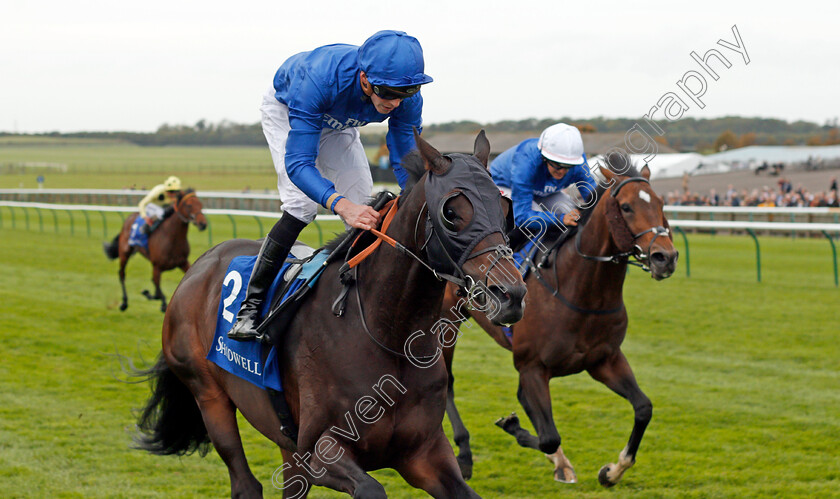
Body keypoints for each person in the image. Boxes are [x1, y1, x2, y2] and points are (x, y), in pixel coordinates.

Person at [228, 30, 433, 341]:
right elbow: (299, 164)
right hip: (291, 111)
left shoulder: (405, 95)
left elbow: (405, 154)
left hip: (340, 123)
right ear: (365, 79)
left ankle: (357, 296)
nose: (394, 102)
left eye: (404, 93)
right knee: (303, 204)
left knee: (366, 205)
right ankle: (250, 307)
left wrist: (418, 197)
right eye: (387, 92)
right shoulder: (319, 79)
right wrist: (340, 204)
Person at [489, 123, 597, 245]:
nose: (562, 171)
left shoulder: (578, 162)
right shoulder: (525, 163)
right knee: (537, 221)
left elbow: (594, 197)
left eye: (568, 167)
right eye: (557, 165)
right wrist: (559, 219)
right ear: (544, 158)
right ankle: (518, 259)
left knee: (570, 213)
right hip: (505, 184)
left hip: (539, 188)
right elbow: (522, 216)